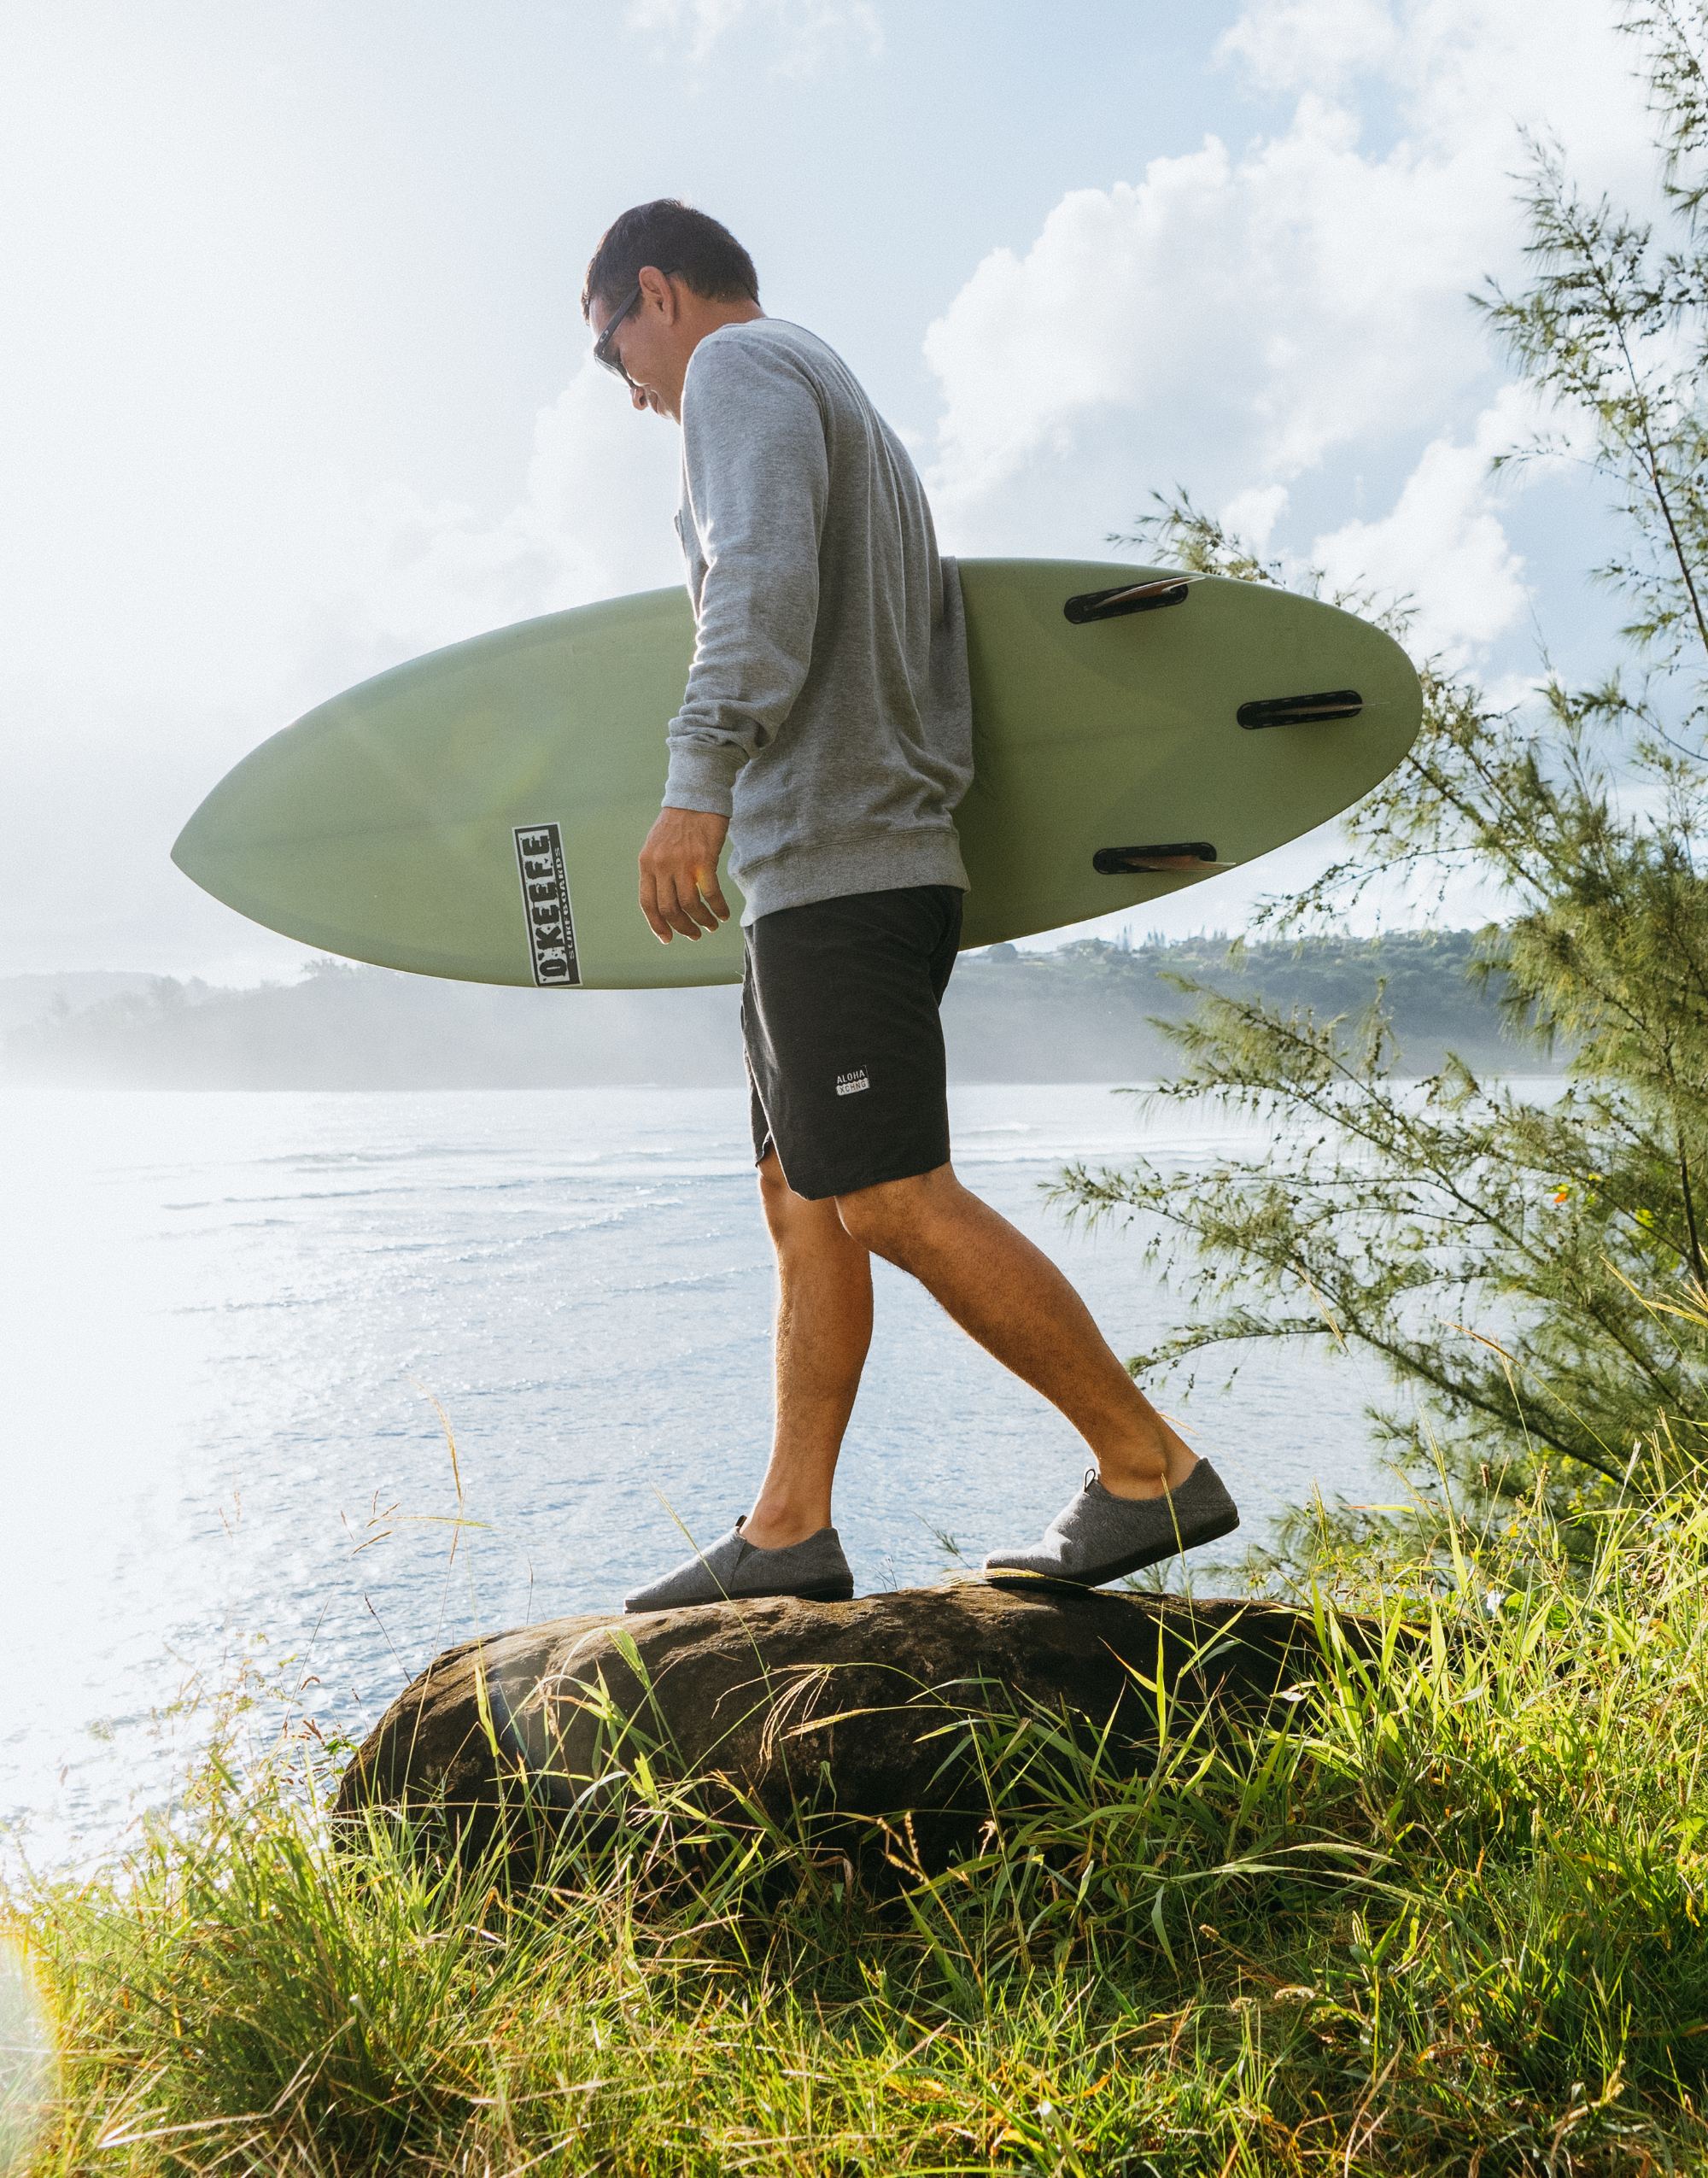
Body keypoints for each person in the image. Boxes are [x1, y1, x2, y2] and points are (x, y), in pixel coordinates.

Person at [581, 201, 1239, 1612]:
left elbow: (757, 583)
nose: (628, 387)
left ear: (656, 293)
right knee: (804, 1196)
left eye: (613, 348)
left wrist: (697, 782)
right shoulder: (841, 396)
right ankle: (790, 1528)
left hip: (843, 856)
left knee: (884, 1191)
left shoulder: (744, 378)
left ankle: (1149, 1466)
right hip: (825, 867)